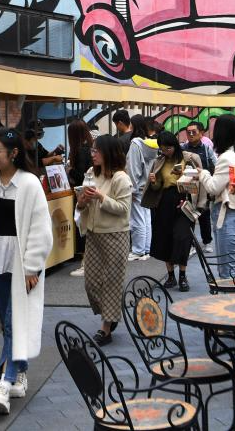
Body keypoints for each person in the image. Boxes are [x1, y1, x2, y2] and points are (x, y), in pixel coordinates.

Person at [0, 128, 53, 415]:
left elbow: (41, 229)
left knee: (14, 320)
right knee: (6, 316)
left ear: (14, 153)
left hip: (22, 261)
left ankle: (4, 383)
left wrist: (32, 267)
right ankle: (20, 371)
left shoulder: (30, 184)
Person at [76, 134, 132, 346]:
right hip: (94, 234)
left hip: (115, 235)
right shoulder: (92, 173)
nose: (92, 154)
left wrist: (100, 197)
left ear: (108, 153)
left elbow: (124, 209)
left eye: (96, 150)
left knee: (111, 282)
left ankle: (106, 327)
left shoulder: (121, 178)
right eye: (92, 150)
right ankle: (111, 314)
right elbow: (82, 205)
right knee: (91, 283)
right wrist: (82, 201)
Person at [144, 131, 202, 292]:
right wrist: (153, 182)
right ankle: (171, 276)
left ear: (175, 145)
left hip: (184, 201)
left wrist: (184, 176)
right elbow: (157, 187)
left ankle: (183, 275)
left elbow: (198, 183)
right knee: (165, 239)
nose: (165, 152)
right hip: (164, 203)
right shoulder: (159, 161)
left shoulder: (188, 158)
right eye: (162, 149)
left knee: (182, 238)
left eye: (168, 148)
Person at [197, 115, 235, 276]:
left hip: (225, 215)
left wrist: (203, 173)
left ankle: (228, 293)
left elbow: (213, 188)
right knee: (229, 266)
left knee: (226, 270)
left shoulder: (226, 158)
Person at [183, 120, 217, 253]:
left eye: (194, 132)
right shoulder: (183, 148)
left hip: (203, 187)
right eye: (188, 132)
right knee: (188, 215)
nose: (191, 134)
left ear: (201, 133)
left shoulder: (207, 149)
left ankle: (207, 241)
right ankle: (191, 244)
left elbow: (215, 165)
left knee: (204, 215)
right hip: (187, 187)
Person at [125, 115, 155, 261]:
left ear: (133, 125)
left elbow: (133, 168)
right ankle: (147, 248)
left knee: (137, 219)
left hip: (137, 187)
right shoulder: (149, 144)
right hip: (148, 185)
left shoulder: (135, 144)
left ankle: (138, 250)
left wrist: (131, 188)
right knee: (146, 218)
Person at [66, 119, 94, 188]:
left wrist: (70, 170)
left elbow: (81, 177)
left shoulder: (82, 151)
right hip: (91, 186)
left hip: (83, 189)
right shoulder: (91, 146)